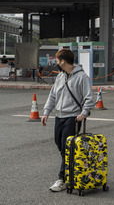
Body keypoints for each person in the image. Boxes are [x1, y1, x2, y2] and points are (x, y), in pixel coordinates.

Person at [41, 49, 95, 192]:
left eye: (57, 60)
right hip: (59, 116)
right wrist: (46, 112)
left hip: (73, 118)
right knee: (60, 146)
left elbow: (89, 97)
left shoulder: (82, 77)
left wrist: (84, 113)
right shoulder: (60, 77)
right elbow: (52, 96)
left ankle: (62, 179)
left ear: (63, 61)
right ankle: (72, 170)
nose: (56, 63)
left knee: (67, 148)